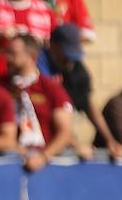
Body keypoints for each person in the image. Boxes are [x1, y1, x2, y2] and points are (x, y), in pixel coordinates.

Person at [41, 23, 122, 160]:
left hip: (61, 137)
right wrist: (73, 143)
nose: (69, 61)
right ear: (53, 45)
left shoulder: (76, 69)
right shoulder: (39, 66)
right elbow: (45, 114)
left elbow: (88, 104)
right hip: (42, 138)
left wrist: (110, 140)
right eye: (66, 54)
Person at [4, 34, 73, 172]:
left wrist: (43, 157)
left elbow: (65, 133)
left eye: (14, 54)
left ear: (32, 56)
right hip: (8, 162)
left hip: (43, 165)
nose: (8, 58)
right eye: (7, 53)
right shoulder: (2, 88)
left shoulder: (51, 88)